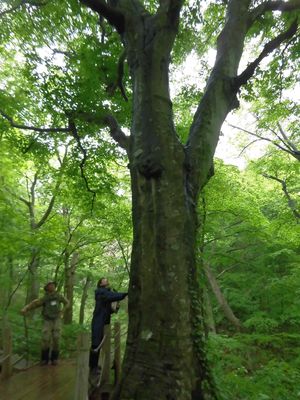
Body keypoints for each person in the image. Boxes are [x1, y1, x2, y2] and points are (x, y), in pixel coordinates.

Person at [20, 281, 69, 366]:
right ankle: (44, 359)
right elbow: (35, 303)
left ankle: (55, 359)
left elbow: (67, 303)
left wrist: (63, 311)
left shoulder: (58, 296)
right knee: (45, 339)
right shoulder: (45, 298)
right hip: (47, 320)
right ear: (47, 288)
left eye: (53, 285)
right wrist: (26, 308)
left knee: (56, 338)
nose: (52, 286)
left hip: (57, 319)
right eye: (50, 285)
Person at [89, 277, 127, 373]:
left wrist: (115, 308)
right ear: (100, 284)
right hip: (98, 321)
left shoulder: (107, 293)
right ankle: (92, 367)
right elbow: (111, 296)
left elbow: (109, 310)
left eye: (106, 280)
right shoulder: (100, 292)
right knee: (96, 343)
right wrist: (124, 294)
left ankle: (94, 366)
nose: (107, 280)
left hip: (104, 322)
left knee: (100, 343)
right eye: (104, 280)